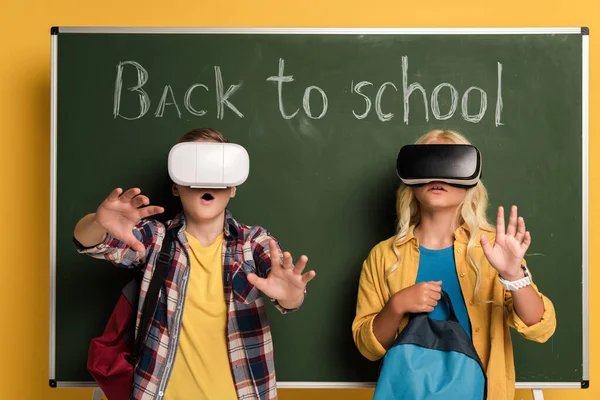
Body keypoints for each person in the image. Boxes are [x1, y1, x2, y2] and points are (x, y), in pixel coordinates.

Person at [74, 128, 315, 400]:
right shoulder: (156, 239)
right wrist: (98, 223)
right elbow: (95, 243)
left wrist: (292, 296)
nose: (206, 182)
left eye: (218, 172)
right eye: (195, 170)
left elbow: (290, 298)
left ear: (233, 186)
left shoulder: (253, 242)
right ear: (176, 185)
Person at [352, 129, 556, 399]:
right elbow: (368, 348)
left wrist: (512, 273)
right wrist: (397, 305)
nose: (438, 177)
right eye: (428, 164)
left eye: (450, 166)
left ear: (470, 180)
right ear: (411, 179)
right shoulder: (384, 256)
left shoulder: (493, 250)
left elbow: (540, 327)